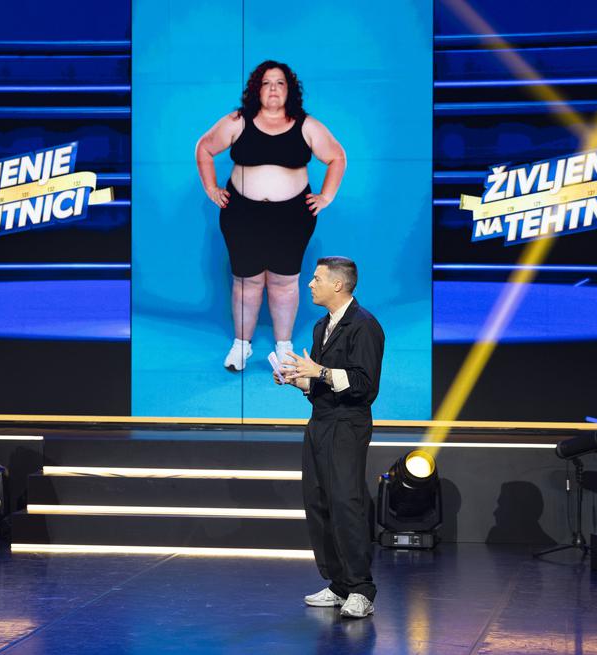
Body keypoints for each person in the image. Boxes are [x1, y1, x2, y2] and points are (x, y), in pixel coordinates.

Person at [196, 60, 346, 371]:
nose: (273, 89)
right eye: (266, 83)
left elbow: (337, 156)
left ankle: (284, 349)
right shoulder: (238, 121)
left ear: (289, 90)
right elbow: (204, 148)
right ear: (257, 90)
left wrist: (327, 196)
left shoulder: (307, 125)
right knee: (245, 282)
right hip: (242, 215)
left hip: (291, 217)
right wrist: (211, 188)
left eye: (280, 83)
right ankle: (241, 346)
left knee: (285, 283)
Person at [276, 256, 384, 619]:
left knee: (345, 503)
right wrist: (298, 381)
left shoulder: (364, 325)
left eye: (317, 278)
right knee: (319, 502)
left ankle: (361, 588)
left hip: (348, 425)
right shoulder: (322, 325)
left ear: (338, 284)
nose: (310, 284)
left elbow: (365, 385)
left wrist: (320, 371)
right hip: (320, 422)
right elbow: (322, 386)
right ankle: (338, 583)